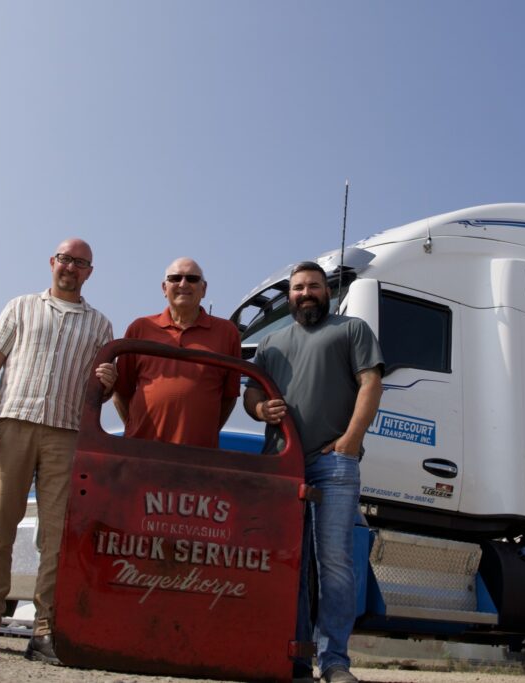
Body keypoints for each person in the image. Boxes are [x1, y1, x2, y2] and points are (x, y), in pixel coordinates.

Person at [0, 239, 115, 665]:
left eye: (80, 262)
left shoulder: (100, 325)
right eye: (65, 259)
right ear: (52, 262)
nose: (70, 267)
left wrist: (110, 379)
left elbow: (99, 389)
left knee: (56, 539)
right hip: (11, 424)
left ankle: (45, 631)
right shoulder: (19, 307)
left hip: (66, 435)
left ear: (89, 272)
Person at [243, 261, 383, 683]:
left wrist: (350, 441)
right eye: (299, 287)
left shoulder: (351, 329)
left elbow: (371, 383)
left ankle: (335, 661)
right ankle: (298, 660)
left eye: (314, 286)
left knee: (334, 562)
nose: (306, 293)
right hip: (283, 465)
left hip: (333, 463)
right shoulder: (270, 343)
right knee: (292, 564)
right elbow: (252, 392)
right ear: (290, 296)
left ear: (328, 292)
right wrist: (259, 409)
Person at [113, 257, 241, 447]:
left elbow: (229, 397)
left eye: (192, 278)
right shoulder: (140, 328)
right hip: (141, 452)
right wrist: (136, 429)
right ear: (164, 288)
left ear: (203, 289)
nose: (183, 284)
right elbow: (121, 392)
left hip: (198, 455)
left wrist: (202, 432)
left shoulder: (227, 332)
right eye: (175, 278)